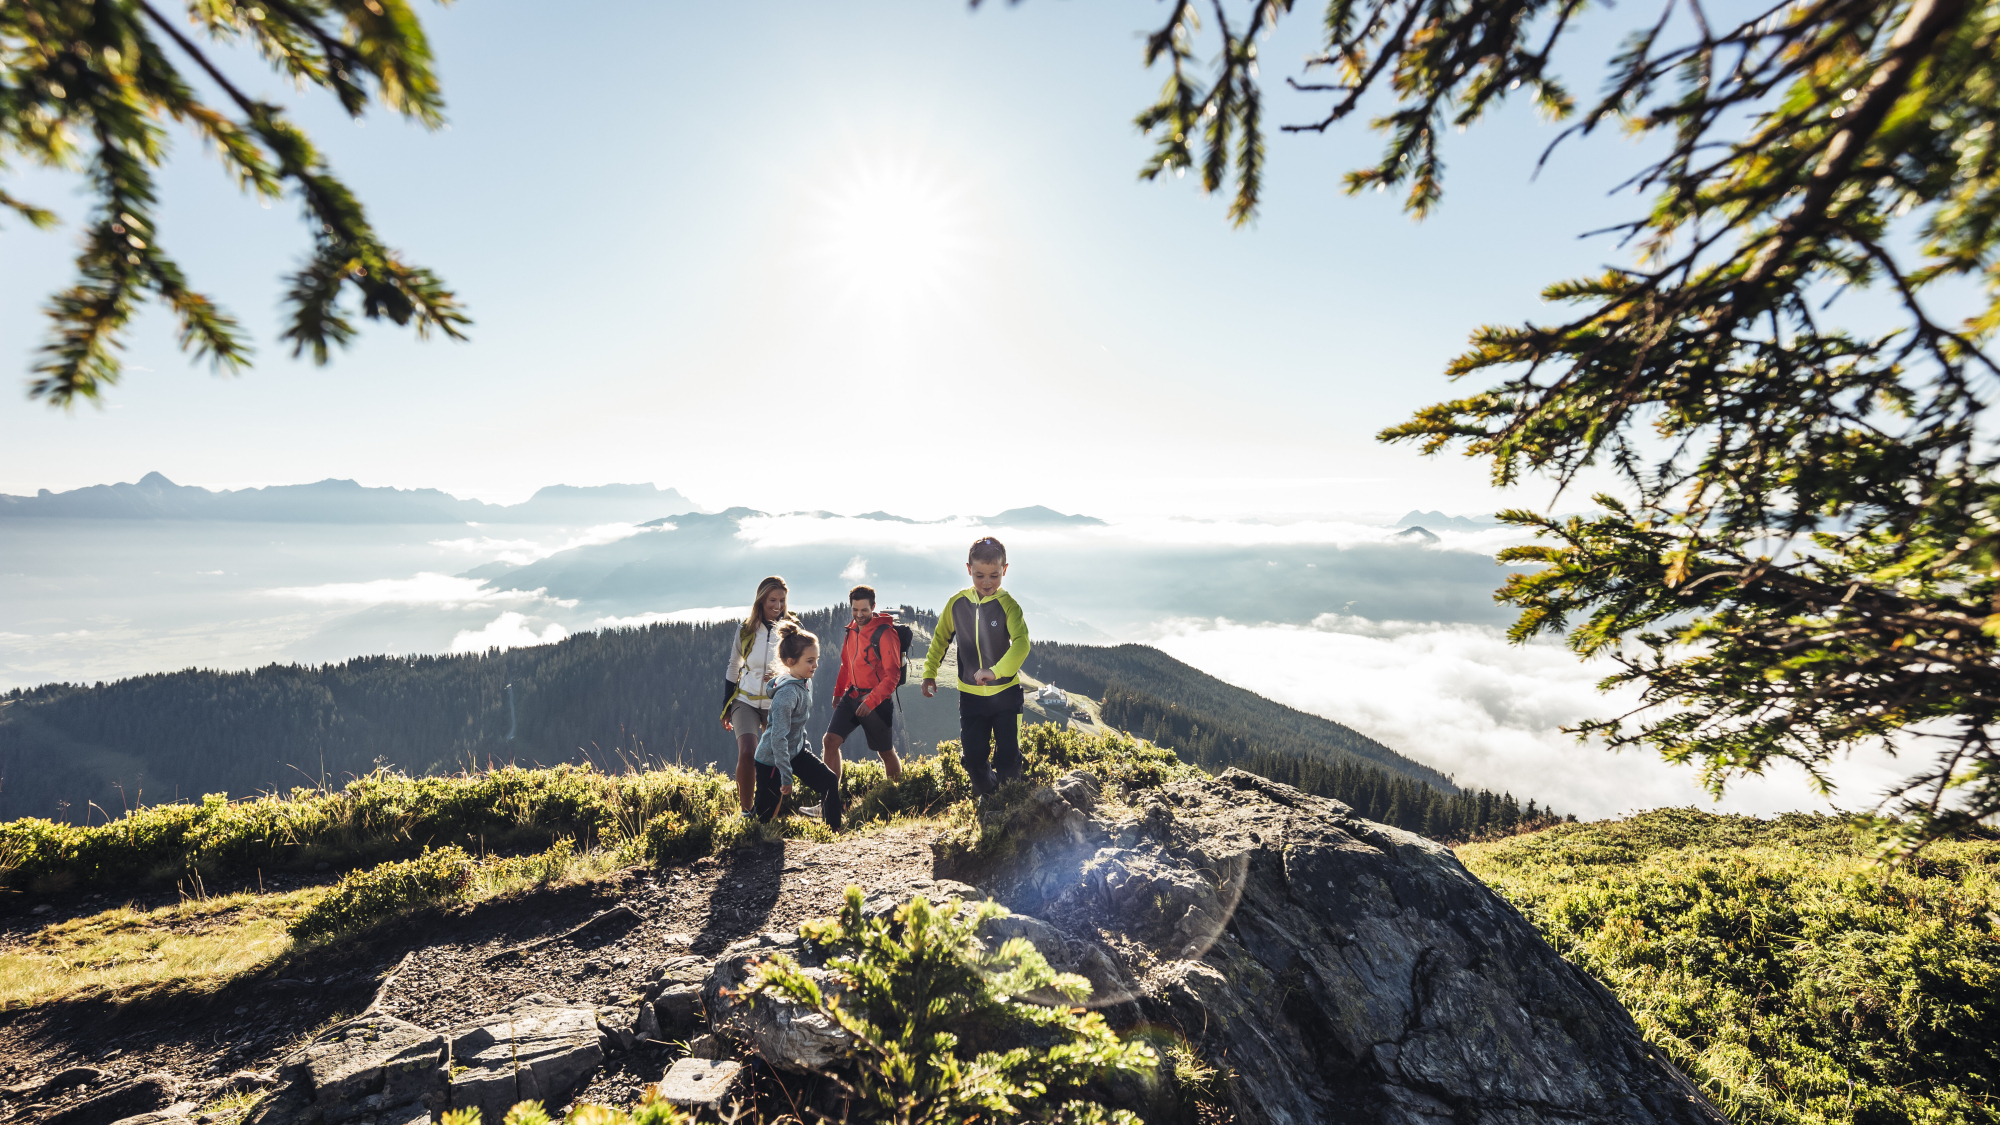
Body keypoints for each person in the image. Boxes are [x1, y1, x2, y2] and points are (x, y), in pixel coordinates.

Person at [922, 536, 1030, 796]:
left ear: (1004, 570)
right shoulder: (957, 603)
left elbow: (1022, 644)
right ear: (969, 569)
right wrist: (929, 673)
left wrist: (995, 672)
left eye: (994, 575)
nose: (987, 582)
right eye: (979, 575)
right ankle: (991, 799)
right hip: (970, 697)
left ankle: (1013, 806)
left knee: (1007, 758)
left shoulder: (1009, 606)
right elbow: (940, 640)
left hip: (1005, 695)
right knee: (972, 760)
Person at [752, 622, 843, 828]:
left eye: (816, 660)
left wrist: (804, 748)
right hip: (772, 761)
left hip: (795, 751)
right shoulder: (786, 695)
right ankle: (750, 840)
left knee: (828, 781)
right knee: (764, 816)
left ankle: (834, 833)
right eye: (810, 661)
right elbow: (777, 738)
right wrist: (786, 774)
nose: (815, 666)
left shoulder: (804, 681)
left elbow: (798, 725)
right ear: (791, 661)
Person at [722, 576, 797, 819]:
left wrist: (782, 674)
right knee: (747, 753)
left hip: (778, 701)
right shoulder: (746, 629)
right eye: (772, 600)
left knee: (773, 758)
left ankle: (768, 817)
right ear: (761, 600)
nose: (777, 606)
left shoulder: (792, 629)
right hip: (745, 700)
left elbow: (801, 667)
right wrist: (726, 704)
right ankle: (746, 811)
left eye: (782, 601)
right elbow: (734, 666)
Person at [821, 585, 904, 785]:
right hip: (851, 696)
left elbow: (893, 676)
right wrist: (838, 691)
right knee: (830, 742)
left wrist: (871, 702)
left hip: (876, 702)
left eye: (864, 610)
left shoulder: (885, 634)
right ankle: (829, 799)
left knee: (885, 752)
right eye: (855, 610)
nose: (859, 615)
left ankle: (896, 794)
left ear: (873, 606)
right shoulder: (851, 630)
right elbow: (846, 664)